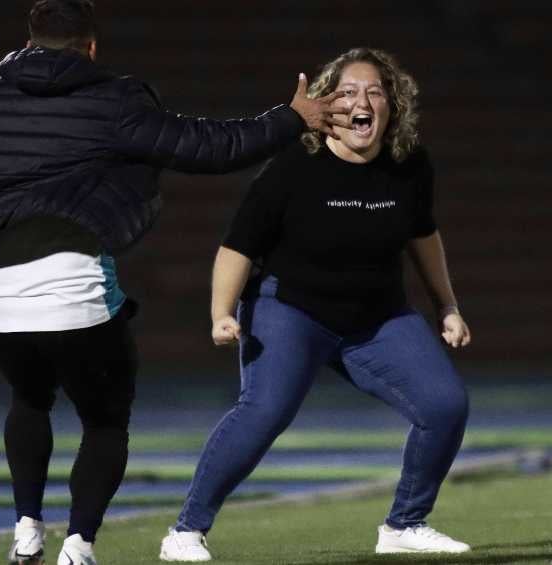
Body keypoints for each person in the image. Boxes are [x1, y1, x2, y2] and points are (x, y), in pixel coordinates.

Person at [0, 1, 348, 563]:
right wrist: (291, 118)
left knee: (29, 398)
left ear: (30, 41)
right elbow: (211, 147)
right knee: (106, 419)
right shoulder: (117, 101)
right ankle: (79, 545)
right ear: (91, 46)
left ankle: (25, 529)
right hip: (75, 292)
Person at [159, 47, 472, 562]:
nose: (361, 102)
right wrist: (221, 312)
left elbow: (424, 237)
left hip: (376, 318)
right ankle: (186, 531)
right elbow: (237, 246)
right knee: (264, 412)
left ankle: (405, 524)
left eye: (374, 91)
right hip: (293, 312)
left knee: (445, 404)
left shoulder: (410, 164)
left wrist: (448, 306)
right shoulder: (292, 166)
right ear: (326, 106)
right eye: (347, 92)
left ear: (392, 106)